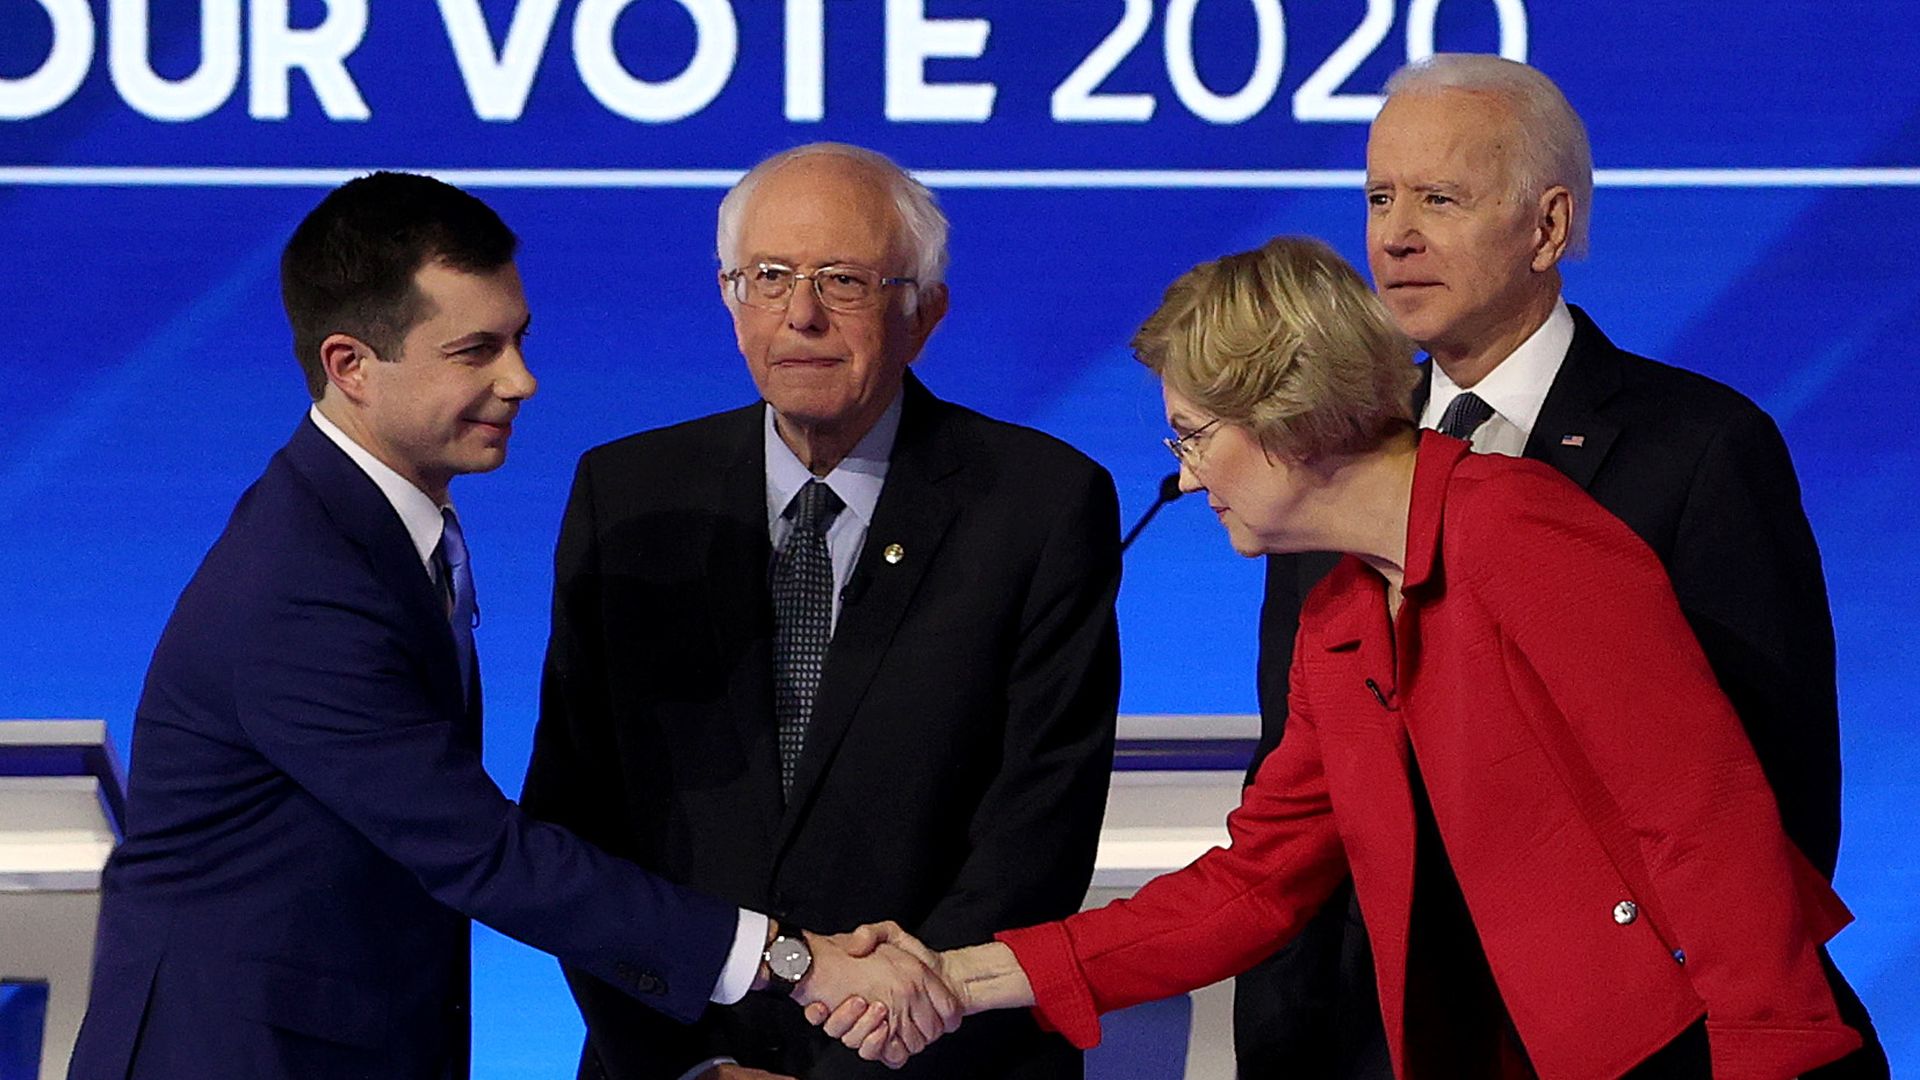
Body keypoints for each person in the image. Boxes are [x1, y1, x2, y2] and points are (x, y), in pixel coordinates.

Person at [815, 236, 1867, 1079]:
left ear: (1287, 418)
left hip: (1694, 1047)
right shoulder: (1342, 616)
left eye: (1191, 435)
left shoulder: (1519, 528)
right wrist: (960, 976)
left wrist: (1763, 1058)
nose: (1182, 480)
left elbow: (1703, 814)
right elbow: (1254, 889)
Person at [67, 172, 955, 1080]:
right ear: (351, 366)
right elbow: (482, 851)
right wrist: (790, 960)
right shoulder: (298, 584)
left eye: (519, 339)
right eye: (474, 351)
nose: (521, 380)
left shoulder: (377, 528)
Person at [1231, 54, 1885, 1079]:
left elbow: (1770, 798)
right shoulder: (1328, 455)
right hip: (1384, 1041)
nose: (1394, 235)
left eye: (1439, 199)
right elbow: (1298, 798)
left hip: (1637, 1042)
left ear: (1547, 227)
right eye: (1378, 197)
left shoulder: (1699, 448)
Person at [521, 142, 1121, 1080]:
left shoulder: (1040, 505)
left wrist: (856, 1063)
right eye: (768, 277)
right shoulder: (628, 494)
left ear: (923, 314)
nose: (800, 315)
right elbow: (574, 825)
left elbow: (1035, 838)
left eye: (843, 280)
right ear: (730, 297)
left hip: (936, 1064)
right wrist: (692, 1066)